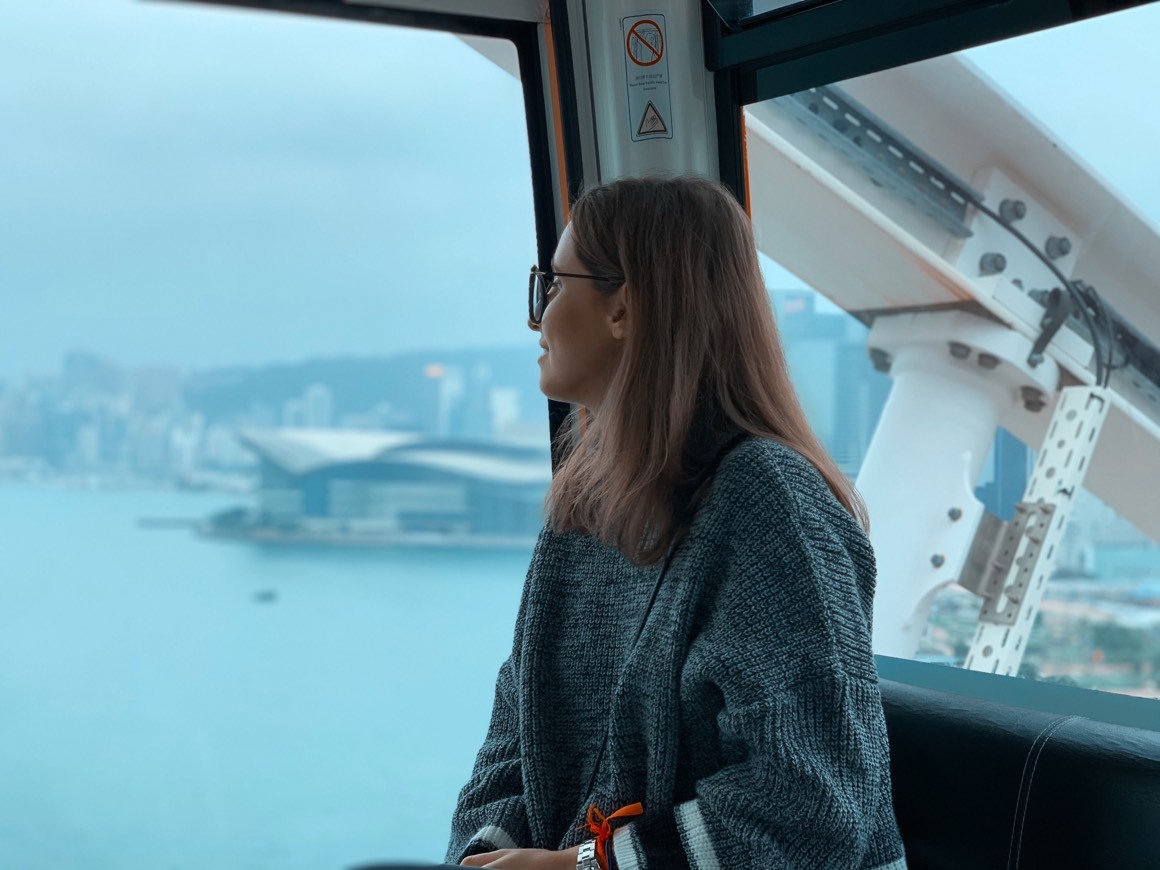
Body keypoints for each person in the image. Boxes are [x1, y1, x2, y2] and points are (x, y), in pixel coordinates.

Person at [446, 176, 907, 870]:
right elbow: (515, 741)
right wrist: (487, 856)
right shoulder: (581, 511)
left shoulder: (769, 504)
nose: (537, 317)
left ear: (623, 308)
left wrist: (580, 868)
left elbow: (816, 808)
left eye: (553, 284)